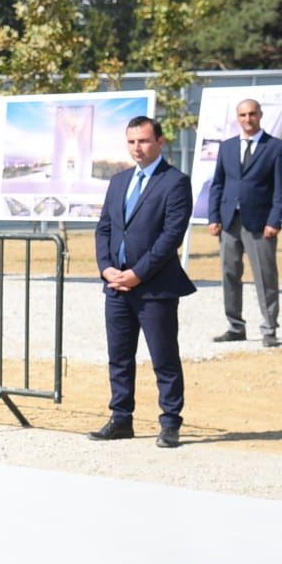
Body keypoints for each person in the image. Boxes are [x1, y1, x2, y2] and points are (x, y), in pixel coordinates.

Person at [90, 117, 196, 450]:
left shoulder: (175, 182)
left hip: (154, 288)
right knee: (119, 356)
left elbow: (170, 237)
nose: (138, 147)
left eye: (144, 141)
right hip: (116, 286)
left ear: (160, 142)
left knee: (164, 357)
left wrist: (137, 274)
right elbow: (105, 228)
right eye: (132, 141)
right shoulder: (119, 181)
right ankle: (121, 419)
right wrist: (107, 268)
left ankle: (170, 422)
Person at [206, 97, 282, 347]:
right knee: (229, 273)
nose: (248, 119)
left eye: (252, 114)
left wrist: (274, 221)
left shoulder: (276, 148)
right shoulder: (227, 147)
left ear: (260, 115)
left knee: (265, 277)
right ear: (237, 117)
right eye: (243, 115)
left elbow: (281, 190)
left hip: (261, 224)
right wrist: (213, 217)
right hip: (229, 220)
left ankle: (269, 329)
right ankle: (235, 326)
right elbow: (218, 184)